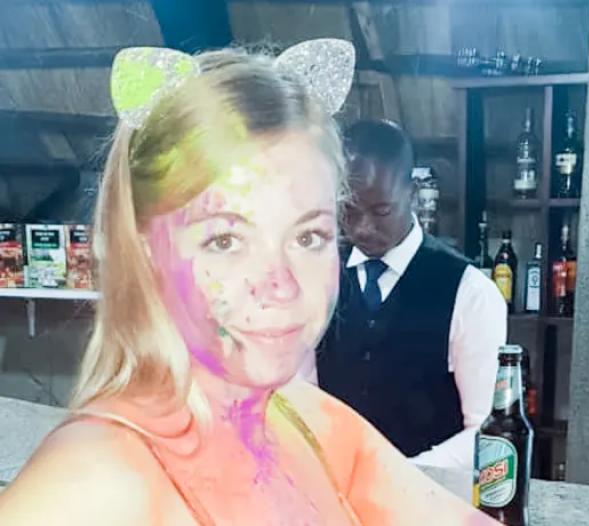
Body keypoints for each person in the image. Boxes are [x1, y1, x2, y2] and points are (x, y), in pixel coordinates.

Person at [0, 42, 501, 525]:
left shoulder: (312, 424)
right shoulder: (91, 484)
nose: (281, 286)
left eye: (308, 236)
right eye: (225, 240)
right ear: (145, 251)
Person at [312, 120, 507, 469]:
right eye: (348, 211)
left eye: (381, 211)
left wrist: (405, 475)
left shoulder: (470, 292)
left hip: (428, 493)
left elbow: (486, 431)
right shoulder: (320, 276)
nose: (362, 228)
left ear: (412, 193)